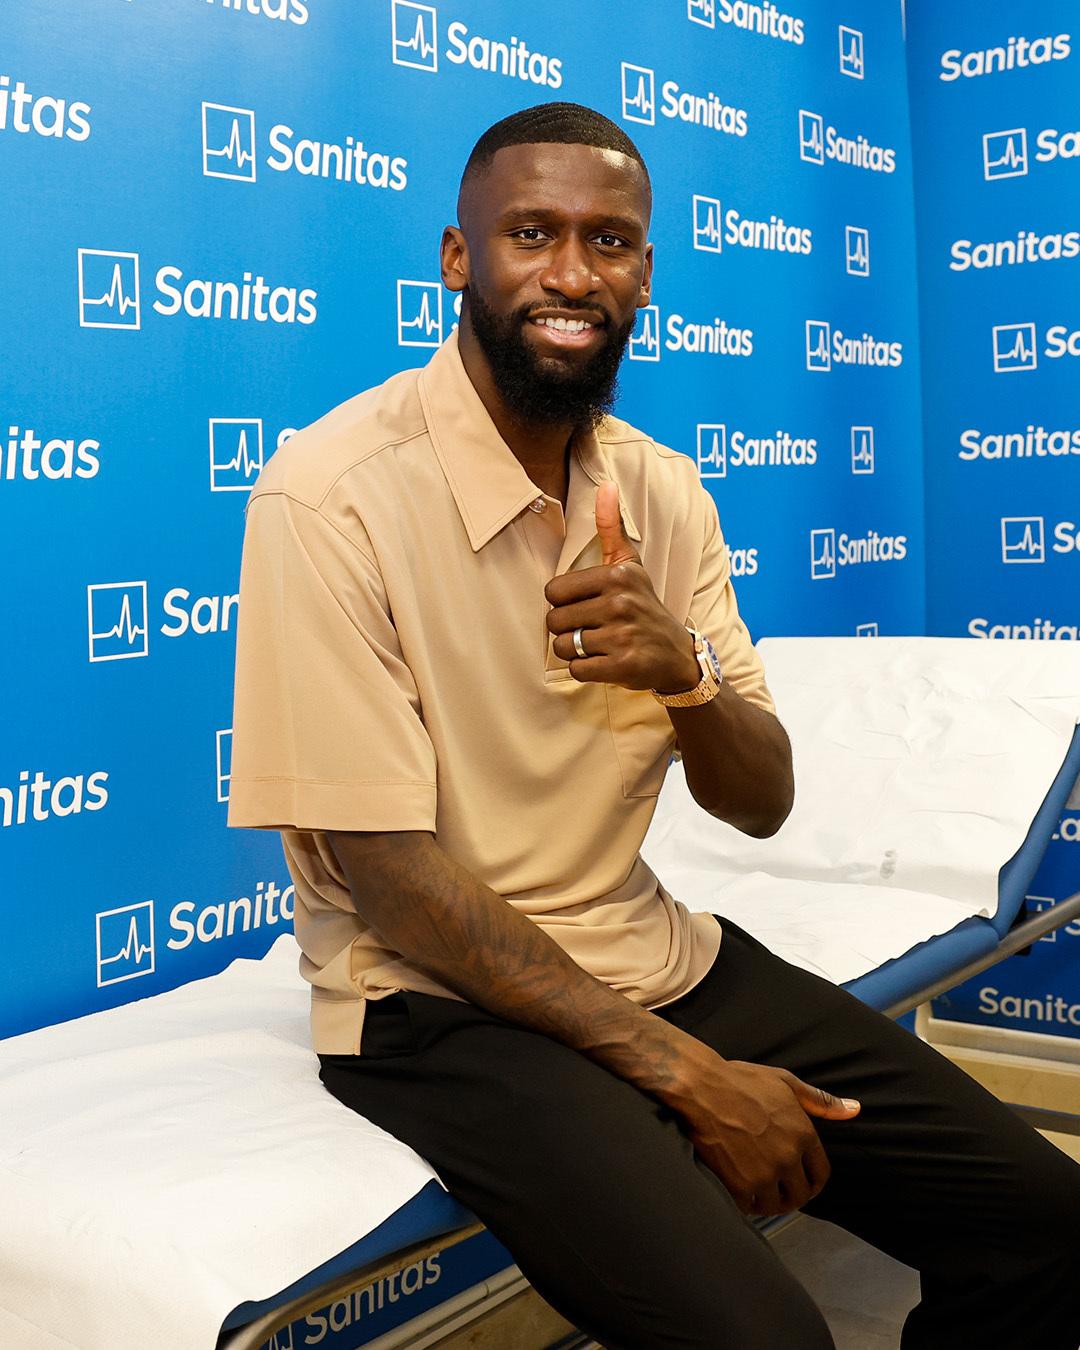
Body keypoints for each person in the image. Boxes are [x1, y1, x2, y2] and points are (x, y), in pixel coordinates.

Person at [228, 102, 1080, 1349]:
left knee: (1047, 1226)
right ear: (458, 257)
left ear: (644, 274)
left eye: (611, 242)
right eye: (532, 234)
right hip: (435, 1004)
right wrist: (687, 1076)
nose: (574, 275)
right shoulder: (331, 495)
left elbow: (762, 800)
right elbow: (393, 887)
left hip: (651, 955)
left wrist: (683, 676)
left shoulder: (663, 492)